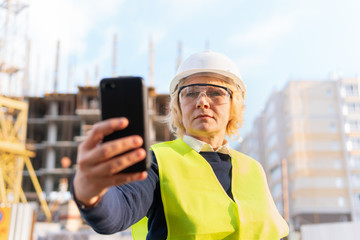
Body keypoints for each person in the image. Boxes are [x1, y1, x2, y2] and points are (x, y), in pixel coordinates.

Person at [72, 50, 289, 239]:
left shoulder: (254, 169)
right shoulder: (158, 162)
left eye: (216, 92)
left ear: (234, 106)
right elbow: (118, 211)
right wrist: (90, 193)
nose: (202, 101)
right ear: (178, 107)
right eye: (191, 92)